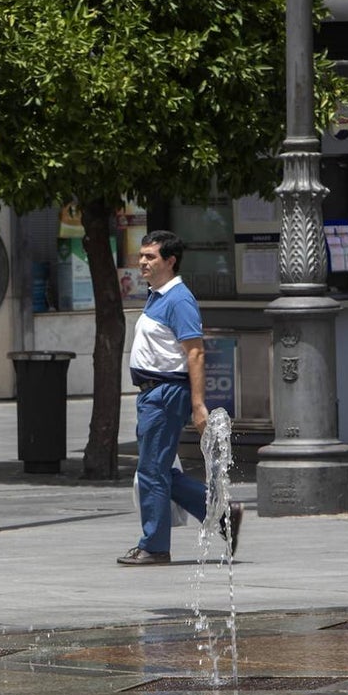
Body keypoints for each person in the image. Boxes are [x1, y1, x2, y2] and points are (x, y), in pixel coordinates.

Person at [118, 230, 243, 566]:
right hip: (153, 393)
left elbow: (196, 353)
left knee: (152, 472)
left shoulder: (179, 299)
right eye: (142, 256)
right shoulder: (157, 295)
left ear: (170, 261)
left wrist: (199, 404)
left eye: (150, 257)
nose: (142, 262)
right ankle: (220, 511)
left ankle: (155, 546)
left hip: (164, 392)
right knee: (156, 469)